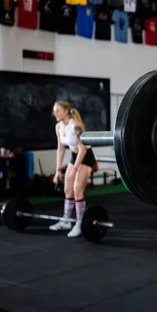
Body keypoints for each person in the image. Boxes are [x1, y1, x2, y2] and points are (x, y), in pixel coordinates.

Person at [49, 100, 98, 238]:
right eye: (54, 110)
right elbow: (60, 149)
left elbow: (82, 149)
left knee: (77, 189)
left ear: (66, 111)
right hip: (74, 155)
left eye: (57, 110)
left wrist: (75, 170)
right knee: (67, 189)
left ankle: (79, 223)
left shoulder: (77, 125)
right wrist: (58, 170)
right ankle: (66, 220)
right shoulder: (58, 127)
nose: (55, 113)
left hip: (85, 157)